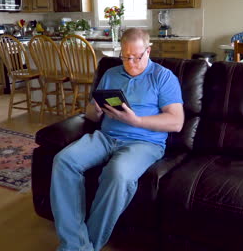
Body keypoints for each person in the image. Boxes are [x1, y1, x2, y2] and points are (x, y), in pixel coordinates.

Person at [50, 28, 184, 251]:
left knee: (118, 174)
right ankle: (76, 244)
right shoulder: (111, 74)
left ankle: (83, 247)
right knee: (64, 161)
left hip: (144, 143)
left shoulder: (163, 77)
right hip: (105, 136)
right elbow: (91, 114)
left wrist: (137, 121)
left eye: (136, 57)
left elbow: (176, 122)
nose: (130, 63)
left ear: (148, 51)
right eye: (125, 56)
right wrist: (96, 111)